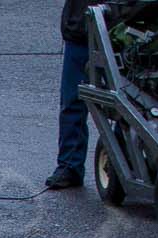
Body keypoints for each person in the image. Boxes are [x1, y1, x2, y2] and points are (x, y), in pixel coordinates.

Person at [49, 1, 94, 190]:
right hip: (82, 27)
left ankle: (130, 165)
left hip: (132, 24)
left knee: (133, 102)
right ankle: (70, 166)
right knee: (73, 100)